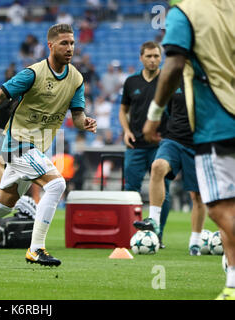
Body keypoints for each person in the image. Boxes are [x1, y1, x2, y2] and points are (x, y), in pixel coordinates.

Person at [0, 24, 97, 266]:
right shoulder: (32, 73)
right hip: (18, 144)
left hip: (35, 148)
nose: (70, 48)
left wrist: (83, 122)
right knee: (56, 184)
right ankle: (36, 249)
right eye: (64, 43)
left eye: (72, 43)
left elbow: (76, 115)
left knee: (1, 207)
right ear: (51, 45)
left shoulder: (76, 78)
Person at [142, 0, 235, 299]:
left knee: (219, 208)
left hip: (217, 126)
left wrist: (153, 116)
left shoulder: (185, 13)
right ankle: (232, 285)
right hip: (191, 135)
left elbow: (173, 65)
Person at [135, 77, 206, 255]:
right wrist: (155, 127)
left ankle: (195, 242)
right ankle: (154, 221)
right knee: (157, 166)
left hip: (198, 144)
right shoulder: (175, 80)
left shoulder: (208, 81)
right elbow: (162, 108)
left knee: (197, 196)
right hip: (173, 140)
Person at [118, 41, 170, 247]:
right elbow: (123, 110)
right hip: (135, 145)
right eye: (149, 56)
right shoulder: (131, 82)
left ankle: (158, 235)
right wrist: (126, 131)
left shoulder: (168, 80)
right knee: (131, 190)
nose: (153, 60)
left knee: (163, 191)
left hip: (161, 145)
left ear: (161, 57)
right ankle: (131, 234)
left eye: (156, 56)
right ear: (141, 57)